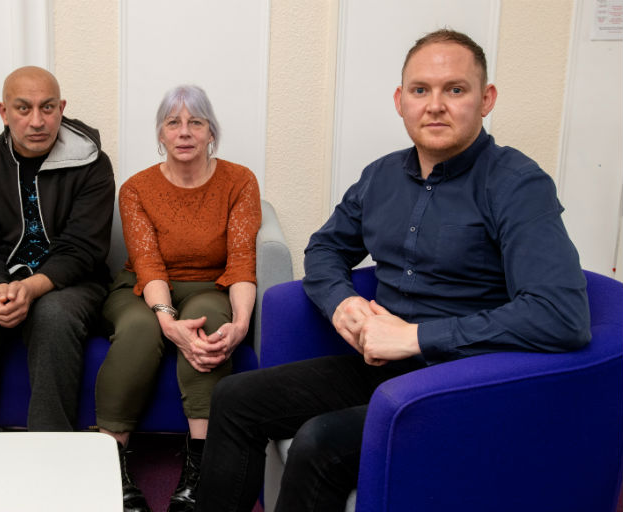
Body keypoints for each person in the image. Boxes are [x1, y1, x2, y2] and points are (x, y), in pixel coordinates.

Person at [195, 29, 591, 511]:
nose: (436, 105)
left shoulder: (517, 184)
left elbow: (561, 315)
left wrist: (417, 336)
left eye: (456, 89)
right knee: (236, 397)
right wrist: (342, 302)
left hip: (467, 382)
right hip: (381, 368)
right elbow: (324, 249)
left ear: (486, 100)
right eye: (421, 90)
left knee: (319, 441)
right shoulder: (382, 175)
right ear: (401, 101)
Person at [95, 85, 261, 512]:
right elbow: (148, 264)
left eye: (196, 122)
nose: (184, 132)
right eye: (174, 123)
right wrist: (167, 322)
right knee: (138, 328)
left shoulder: (240, 181)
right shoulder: (136, 188)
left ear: (211, 133)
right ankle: (111, 464)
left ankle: (200, 469)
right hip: (142, 288)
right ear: (161, 134)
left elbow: (242, 261)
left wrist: (241, 324)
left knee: (208, 321)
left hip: (210, 286)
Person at [0, 66, 114, 432]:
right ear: (4, 113)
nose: (37, 121)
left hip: (72, 283)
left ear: (61, 108)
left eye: (48, 108)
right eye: (24, 109)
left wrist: (31, 287)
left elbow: (84, 248)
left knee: (52, 314)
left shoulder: (92, 162)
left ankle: (49, 449)